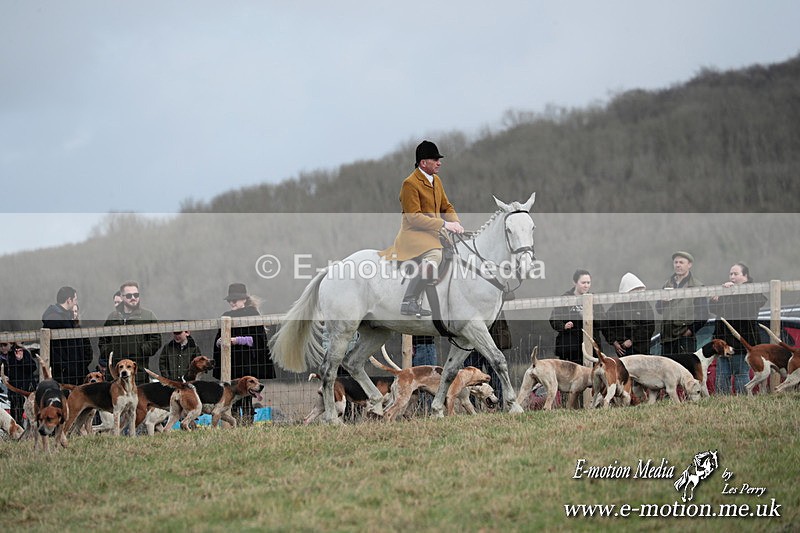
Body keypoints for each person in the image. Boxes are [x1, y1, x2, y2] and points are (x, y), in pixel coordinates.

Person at [380, 140, 464, 316]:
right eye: (435, 160)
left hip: (433, 233)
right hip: (414, 235)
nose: (439, 163)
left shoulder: (436, 180)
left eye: (439, 160)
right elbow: (414, 218)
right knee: (435, 255)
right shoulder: (409, 184)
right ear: (423, 163)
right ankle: (409, 300)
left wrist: (455, 222)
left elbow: (446, 207)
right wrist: (444, 224)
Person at [213, 283, 274, 421]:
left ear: (244, 299)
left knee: (247, 397)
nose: (232, 302)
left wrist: (236, 340)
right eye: (230, 300)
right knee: (232, 396)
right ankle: (233, 422)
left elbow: (257, 340)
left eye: (235, 299)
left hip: (247, 364)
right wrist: (221, 341)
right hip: (231, 365)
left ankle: (247, 422)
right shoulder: (226, 316)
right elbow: (217, 340)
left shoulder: (252, 314)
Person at [709, 263, 766, 395]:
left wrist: (732, 292)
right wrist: (716, 299)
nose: (732, 277)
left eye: (736, 274)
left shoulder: (753, 291)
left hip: (743, 341)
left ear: (745, 276)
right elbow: (716, 310)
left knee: (740, 374)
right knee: (722, 374)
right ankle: (722, 400)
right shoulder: (727, 291)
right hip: (724, 341)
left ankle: (743, 400)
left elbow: (741, 309)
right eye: (731, 274)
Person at [98, 281, 161, 386]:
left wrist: (141, 349)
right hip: (115, 375)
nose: (133, 298)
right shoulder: (112, 317)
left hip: (138, 375)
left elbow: (156, 340)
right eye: (129, 295)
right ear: (122, 297)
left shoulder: (148, 316)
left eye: (136, 295)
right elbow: (103, 340)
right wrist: (110, 351)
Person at [655, 251, 708, 357]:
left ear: (689, 265)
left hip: (685, 339)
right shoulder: (667, 284)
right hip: (666, 339)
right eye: (676, 262)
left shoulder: (697, 286)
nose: (678, 265)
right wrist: (662, 302)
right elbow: (658, 309)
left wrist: (690, 331)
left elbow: (703, 315)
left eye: (681, 262)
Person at [550, 269, 604, 365]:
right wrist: (563, 326)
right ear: (575, 282)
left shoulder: (595, 299)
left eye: (588, 282)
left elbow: (603, 321)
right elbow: (554, 318)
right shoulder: (565, 299)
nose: (586, 285)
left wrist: (590, 317)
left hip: (592, 346)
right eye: (583, 283)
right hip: (570, 347)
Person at [41, 286, 92, 385]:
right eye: (75, 299)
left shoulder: (66, 317)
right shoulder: (55, 319)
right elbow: (54, 348)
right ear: (69, 300)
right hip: (64, 373)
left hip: (73, 370)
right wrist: (64, 367)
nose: (76, 302)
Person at [463, 312, 512, 408]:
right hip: (472, 341)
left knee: (495, 376)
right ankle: (471, 409)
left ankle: (498, 406)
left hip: (492, 341)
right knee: (470, 380)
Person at [603, 273, 655, 356]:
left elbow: (649, 327)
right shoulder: (616, 307)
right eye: (635, 290)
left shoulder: (645, 305)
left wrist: (632, 340)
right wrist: (614, 342)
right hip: (624, 351)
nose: (638, 293)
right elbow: (607, 325)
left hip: (642, 350)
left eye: (639, 290)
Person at [1, 342, 37, 424]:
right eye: (0, 346)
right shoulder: (2, 357)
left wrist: (21, 360)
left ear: (11, 344)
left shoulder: (22, 352)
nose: (2, 348)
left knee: (31, 414)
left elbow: (33, 367)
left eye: (5, 345)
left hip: (27, 388)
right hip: (13, 391)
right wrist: (3, 376)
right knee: (16, 415)